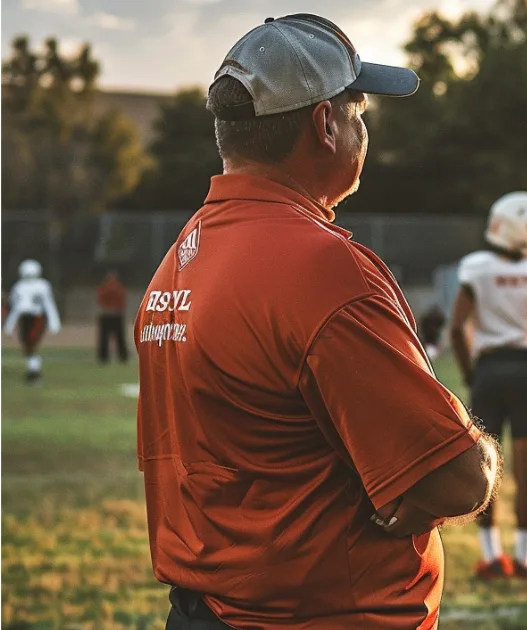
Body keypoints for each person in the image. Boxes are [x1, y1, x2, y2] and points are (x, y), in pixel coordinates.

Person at [135, 14, 501, 629]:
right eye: (357, 110)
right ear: (323, 124)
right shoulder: (325, 269)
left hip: (207, 608)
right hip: (320, 614)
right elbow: (455, 479)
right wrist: (476, 454)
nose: (364, 128)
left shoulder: (183, 255)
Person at [449, 191, 527, 579]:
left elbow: (457, 329)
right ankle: (526, 557)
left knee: (487, 469)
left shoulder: (477, 268)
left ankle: (491, 556)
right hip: (525, 371)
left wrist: (470, 374)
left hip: (489, 373)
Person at [4, 259, 62, 385]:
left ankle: (34, 373)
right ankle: (33, 371)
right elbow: (17, 307)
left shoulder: (22, 287)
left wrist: (54, 322)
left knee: (30, 345)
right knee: (28, 346)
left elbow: (47, 304)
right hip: (30, 318)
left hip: (35, 317)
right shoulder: (32, 286)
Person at [96, 271, 129, 364]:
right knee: (120, 338)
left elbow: (99, 300)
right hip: (117, 314)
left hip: (106, 314)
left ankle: (103, 357)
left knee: (104, 338)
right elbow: (123, 301)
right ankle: (123, 356)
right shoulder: (119, 287)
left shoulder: (103, 288)